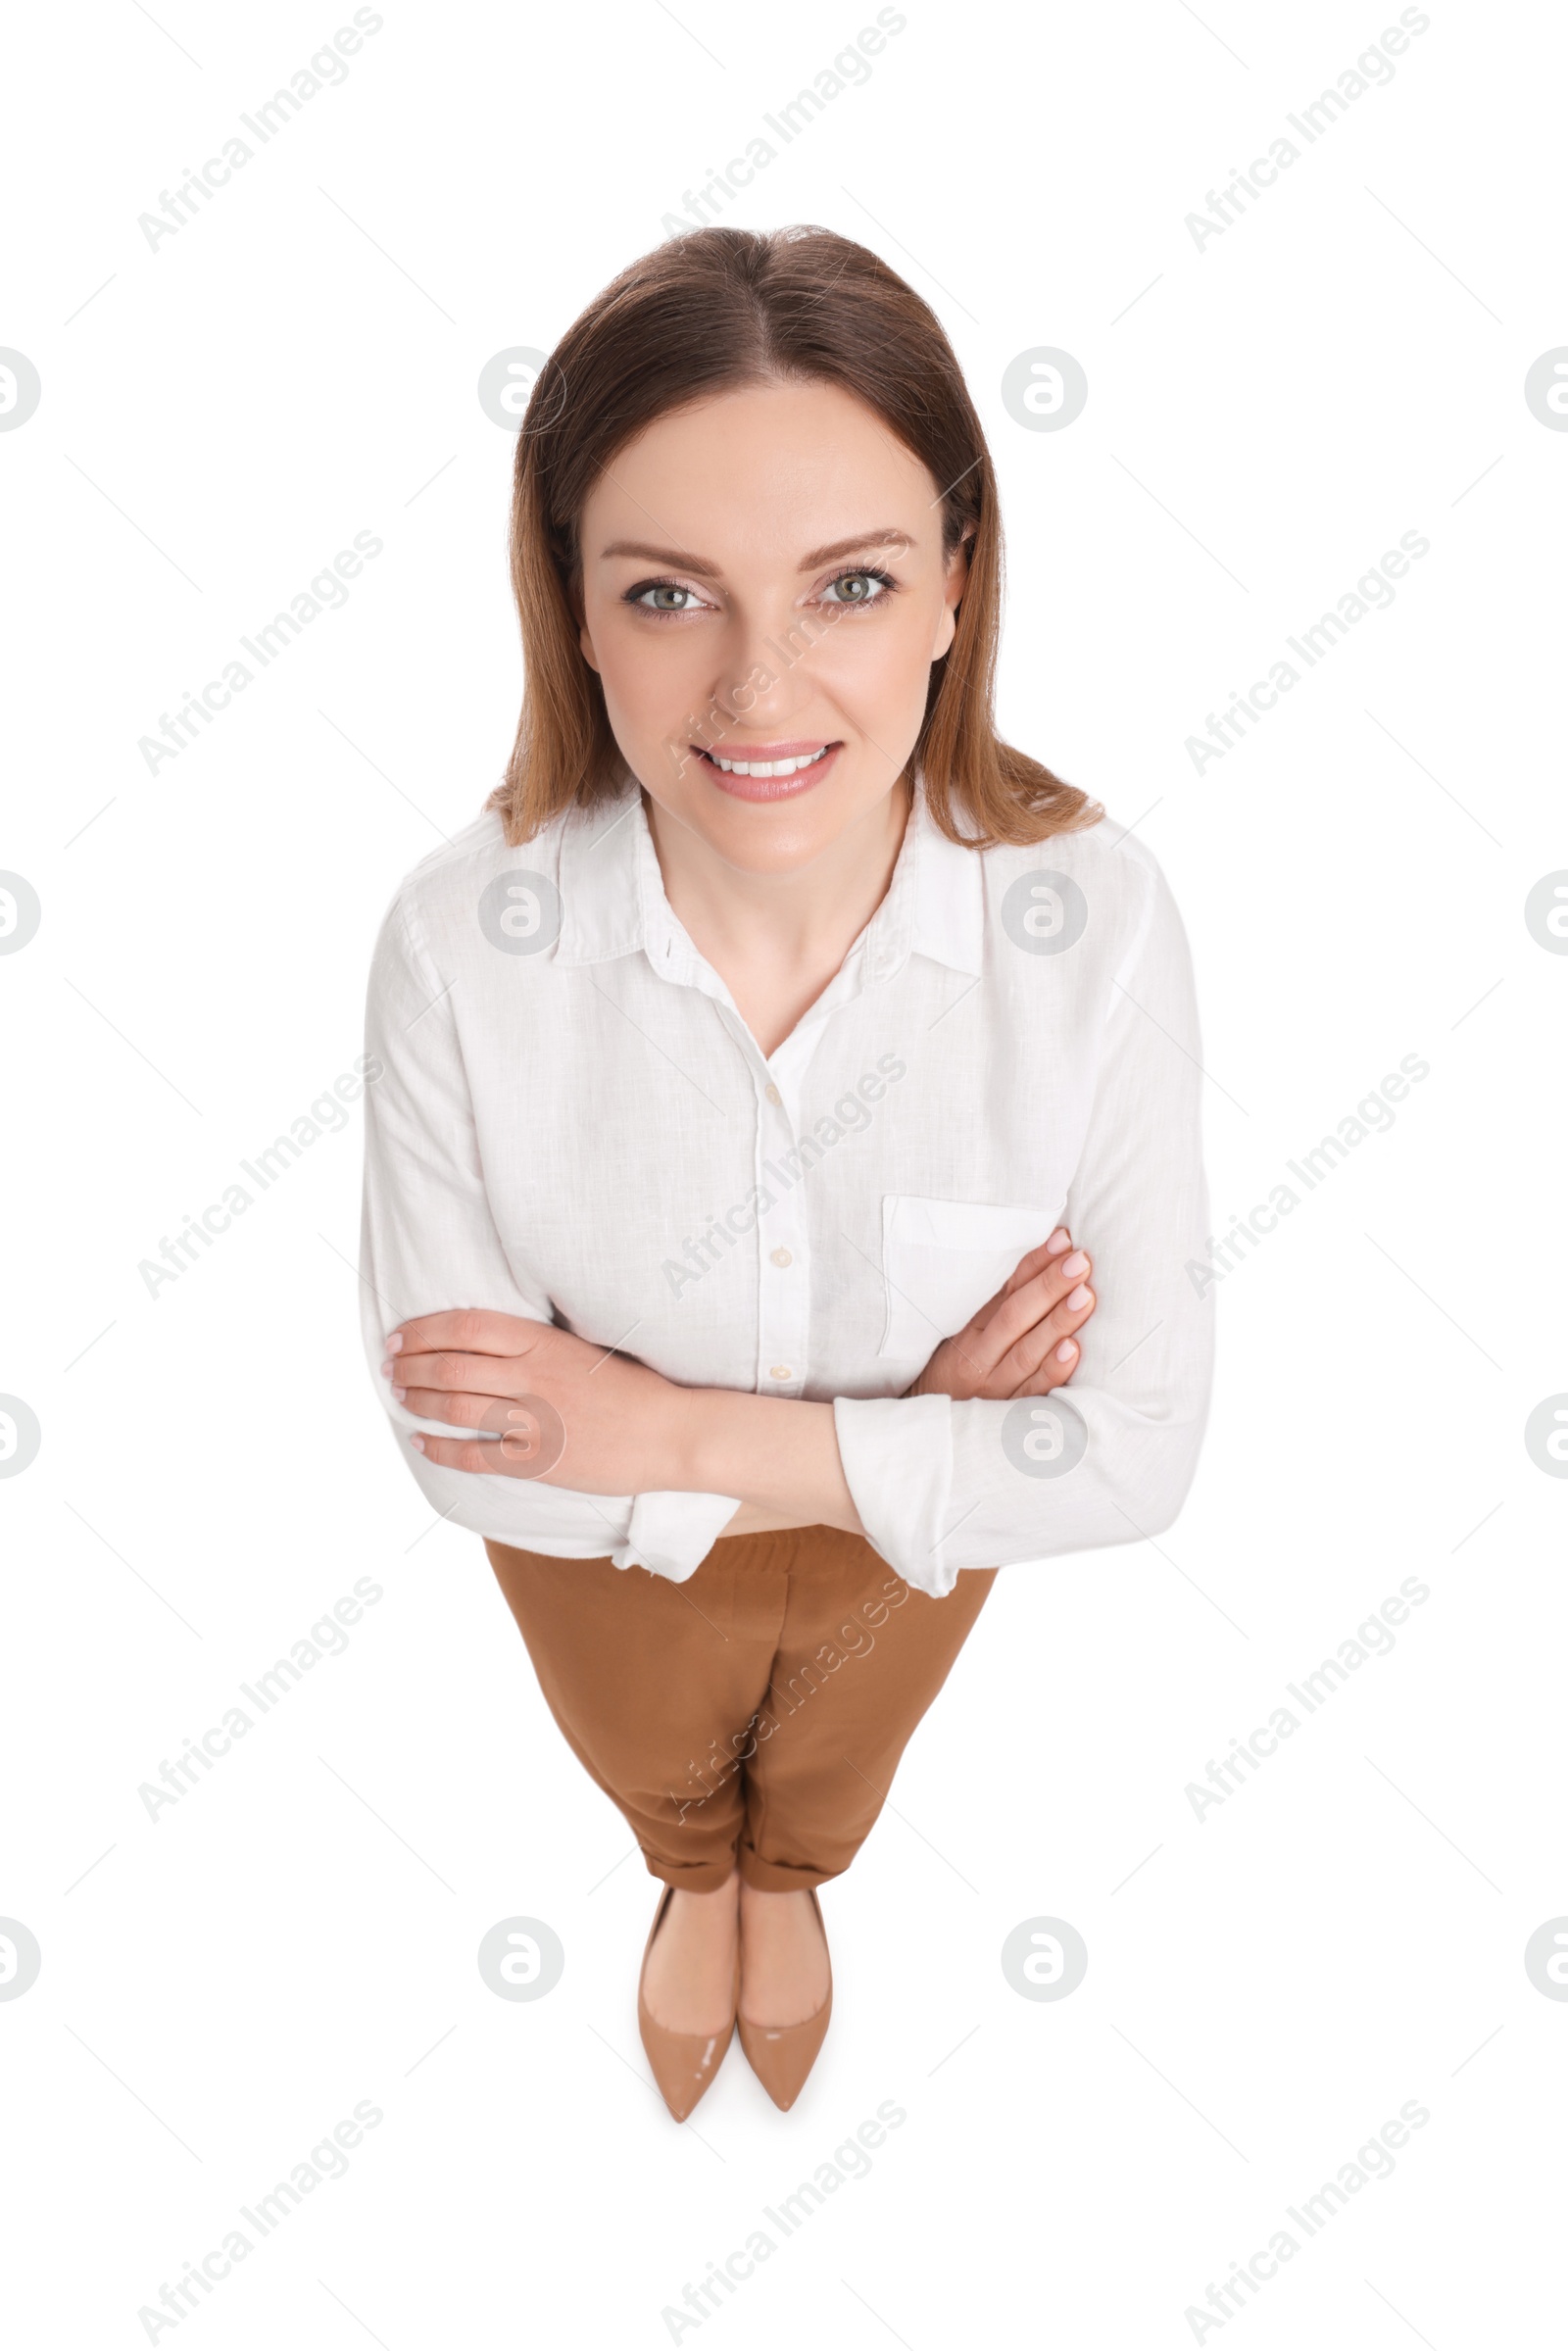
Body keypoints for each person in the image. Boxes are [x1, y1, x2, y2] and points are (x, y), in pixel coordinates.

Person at [359, 223, 1213, 2120]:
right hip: (658, 1572)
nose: (761, 692)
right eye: (670, 595)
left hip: (769, 1538)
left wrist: (656, 1435)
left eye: (846, 585)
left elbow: (1142, 1461)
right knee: (654, 1753)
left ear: (952, 595)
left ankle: (793, 1875)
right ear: (571, 606)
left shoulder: (1096, 919)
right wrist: (921, 1438)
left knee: (840, 1767)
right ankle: (690, 1872)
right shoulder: (458, 941)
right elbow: (460, 1451)